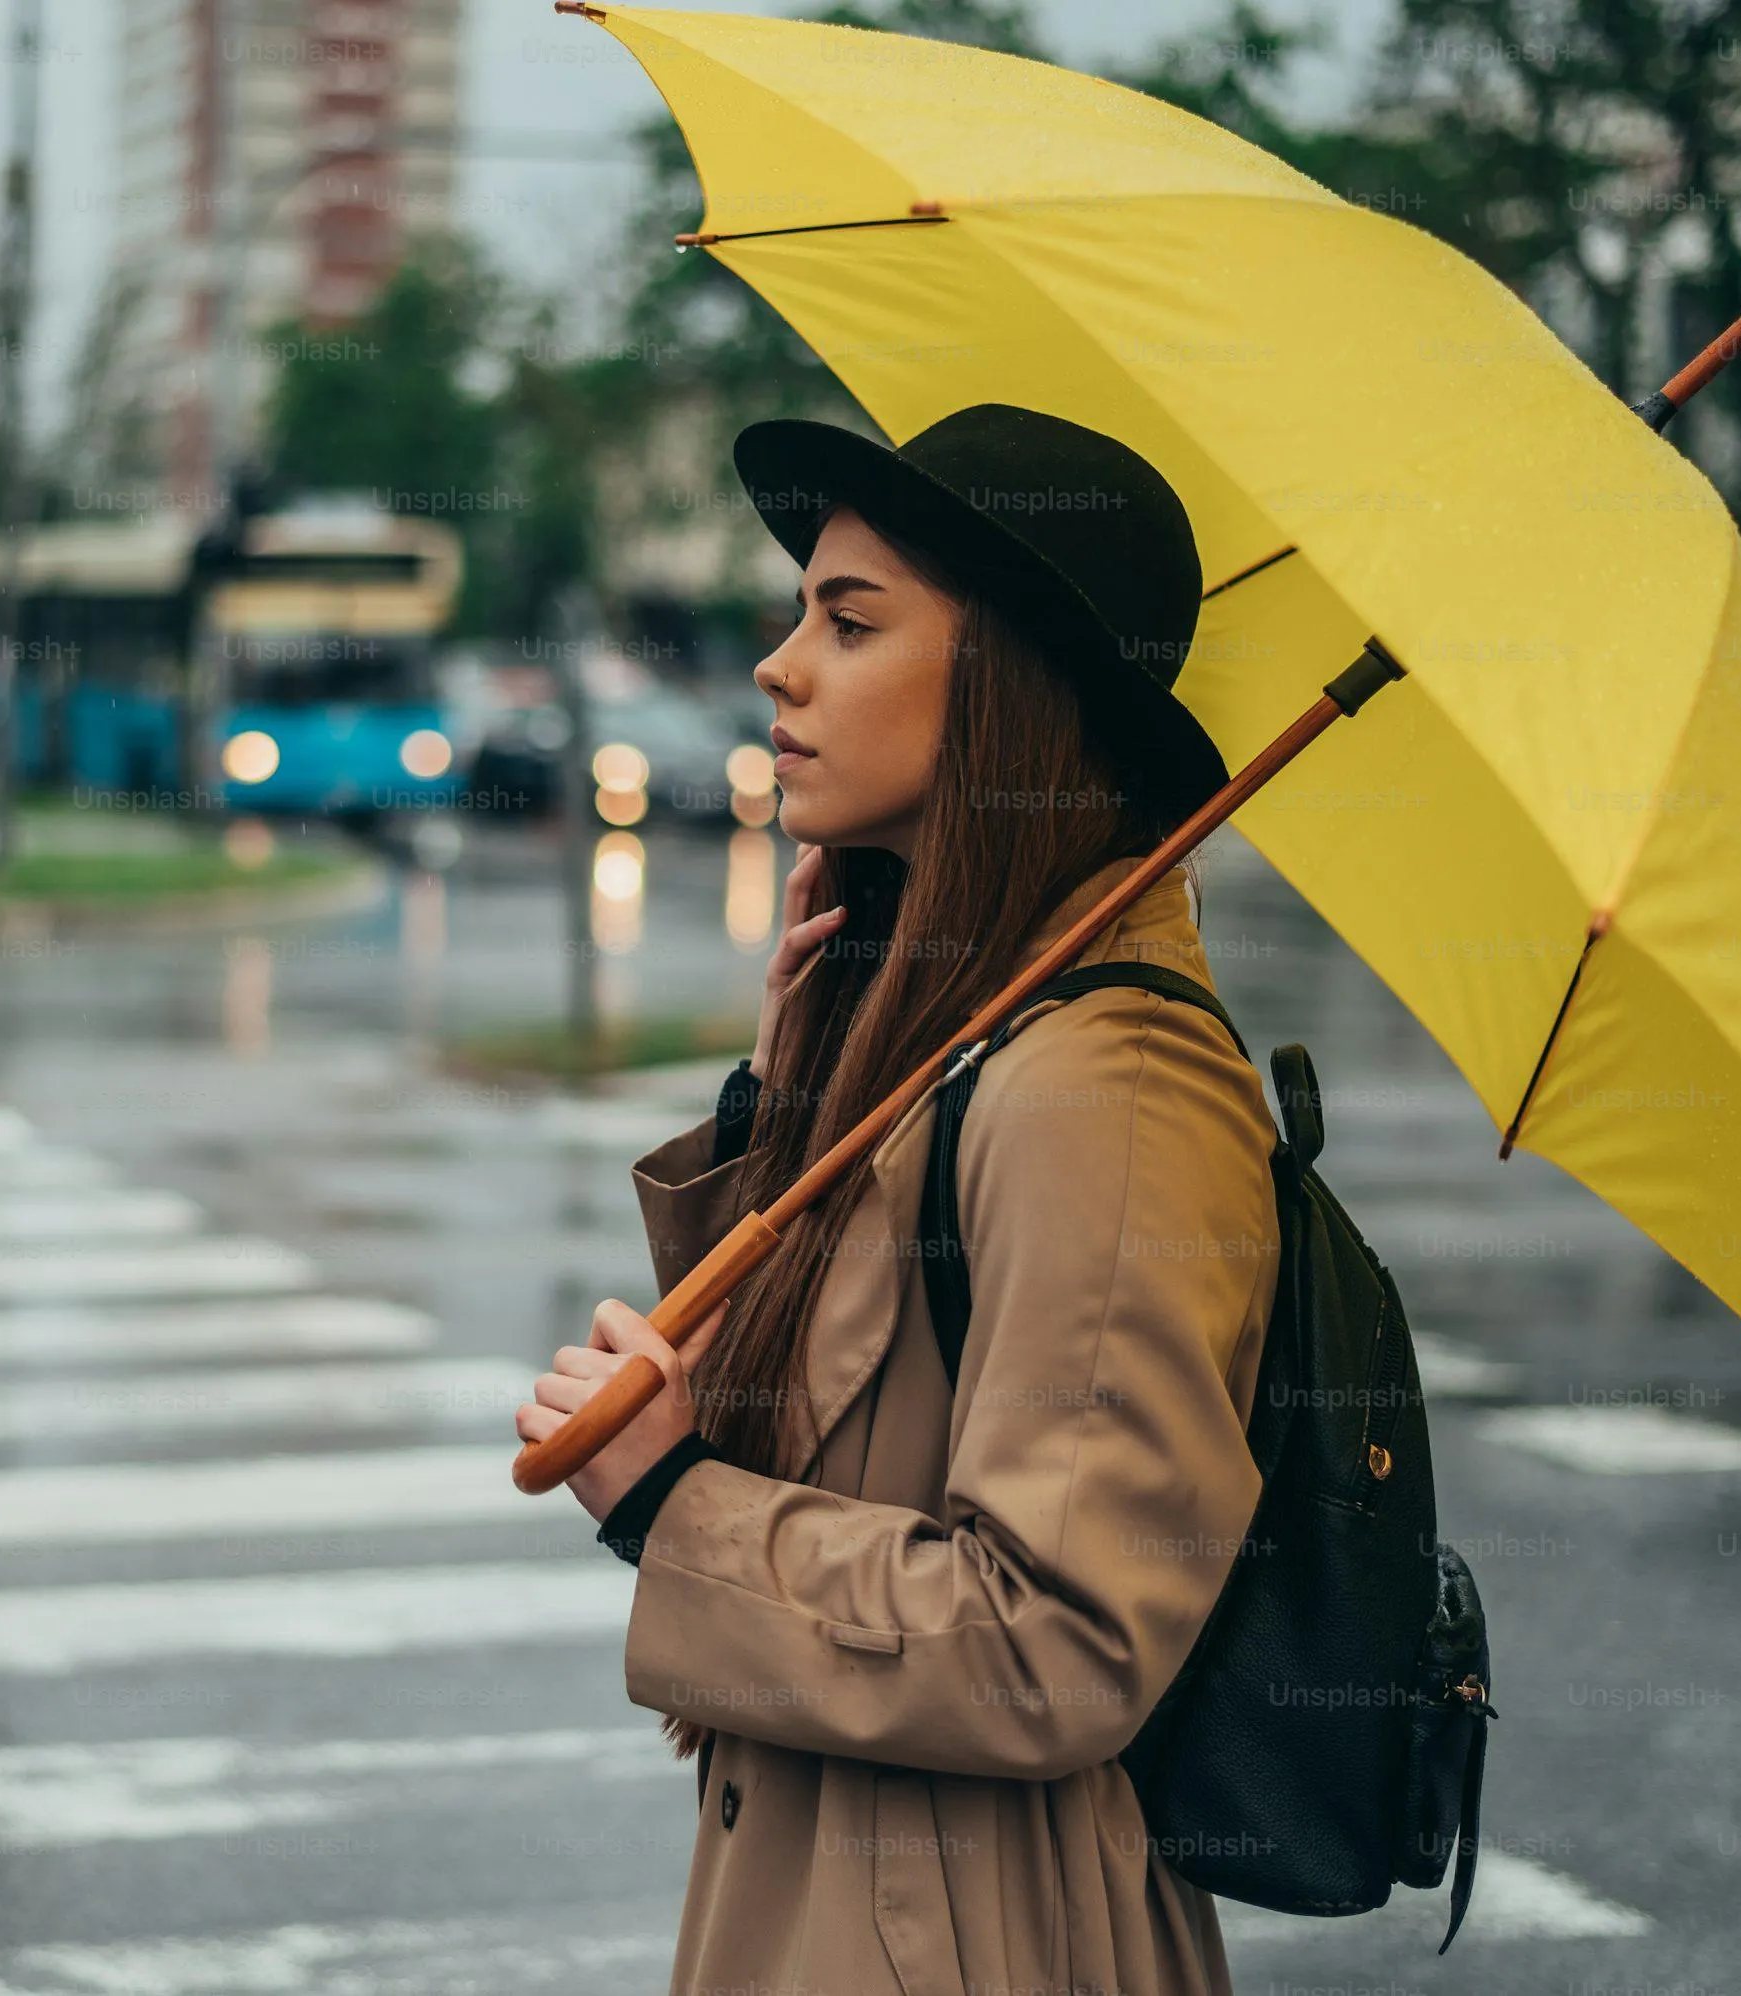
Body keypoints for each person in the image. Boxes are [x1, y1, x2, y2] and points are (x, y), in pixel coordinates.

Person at [516, 404, 1283, 1996]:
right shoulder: (958, 1039)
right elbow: (837, 1426)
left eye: (850, 622)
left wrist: (672, 1504)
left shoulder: (1111, 1088)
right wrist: (789, 1089)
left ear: (1006, 686)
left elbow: (1057, 1645)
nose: (778, 666)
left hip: (975, 1938)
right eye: (802, 609)